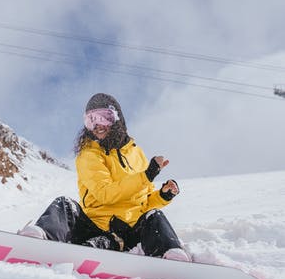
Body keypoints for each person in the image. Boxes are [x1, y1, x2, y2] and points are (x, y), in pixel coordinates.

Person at [18, 92, 190, 262]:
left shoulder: (136, 153)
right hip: (95, 226)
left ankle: (171, 256)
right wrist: (146, 176)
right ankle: (40, 239)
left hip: (130, 231)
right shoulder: (89, 154)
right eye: (90, 120)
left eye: (104, 118)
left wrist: (163, 195)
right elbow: (104, 193)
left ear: (118, 120)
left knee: (154, 215)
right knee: (65, 204)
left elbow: (144, 201)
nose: (97, 125)